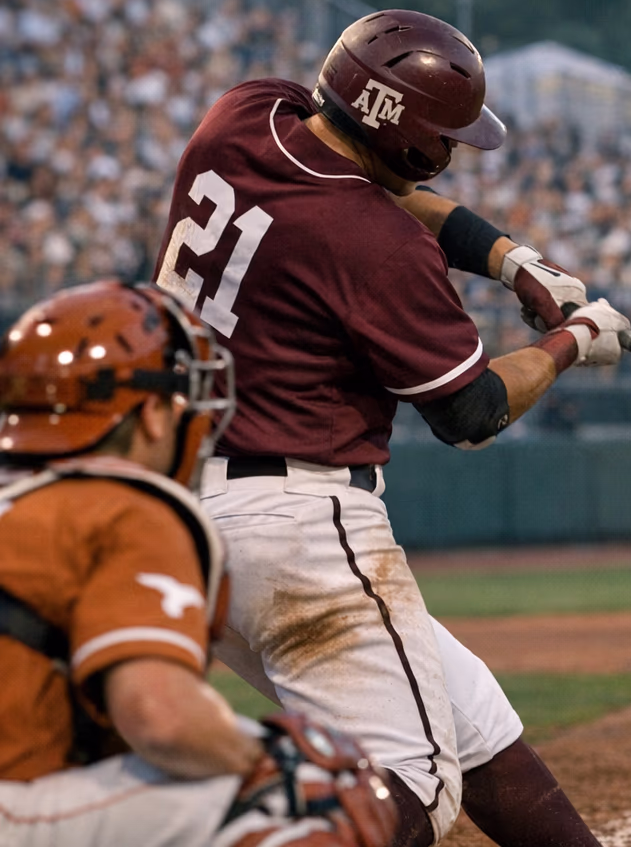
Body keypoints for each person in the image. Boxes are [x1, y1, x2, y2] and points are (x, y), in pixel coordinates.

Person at [154, 9, 627, 847]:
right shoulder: (373, 244)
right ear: (410, 142)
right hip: (297, 529)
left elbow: (380, 189)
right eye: (444, 138)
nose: (452, 153)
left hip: (180, 510)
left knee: (474, 721)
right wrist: (569, 344)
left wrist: (509, 259)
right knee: (410, 785)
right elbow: (470, 413)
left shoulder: (246, 114)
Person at [0, 279, 397, 847]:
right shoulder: (125, 504)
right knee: (311, 789)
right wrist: (265, 755)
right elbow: (160, 716)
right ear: (154, 416)